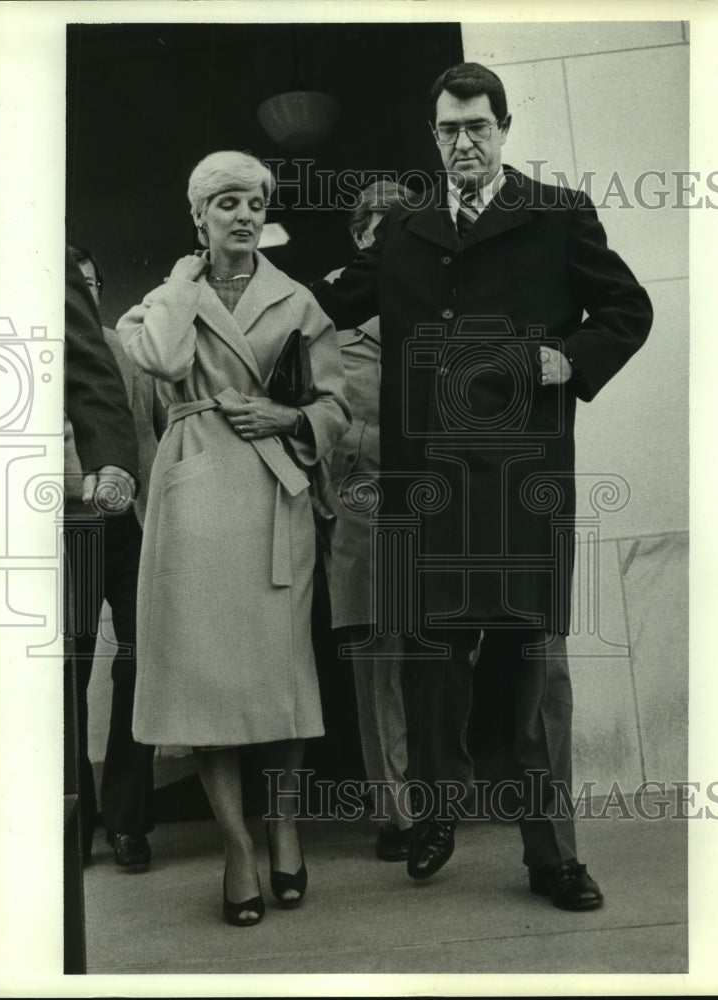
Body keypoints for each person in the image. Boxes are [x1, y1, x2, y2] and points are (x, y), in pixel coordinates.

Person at [311, 63, 653, 910]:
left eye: (478, 127)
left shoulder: (558, 215)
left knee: (538, 678)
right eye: (448, 130)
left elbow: (628, 311)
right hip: (427, 491)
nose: (463, 142)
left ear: (503, 128)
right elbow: (324, 303)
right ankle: (435, 818)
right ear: (434, 138)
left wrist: (568, 358)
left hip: (524, 486)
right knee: (436, 672)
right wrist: (213, 275)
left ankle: (554, 858)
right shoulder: (404, 231)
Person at [117, 151, 350, 926]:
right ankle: (236, 846)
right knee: (207, 685)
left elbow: (337, 406)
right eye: (225, 204)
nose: (244, 215)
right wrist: (183, 284)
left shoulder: (300, 302)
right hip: (195, 496)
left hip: (270, 492)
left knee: (279, 678)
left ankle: (282, 826)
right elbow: (162, 359)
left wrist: (286, 418)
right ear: (200, 216)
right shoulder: (165, 299)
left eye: (255, 202)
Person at [318, 181, 416, 862]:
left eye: (402, 226)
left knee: (444, 646)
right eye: (377, 227)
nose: (388, 238)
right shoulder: (326, 305)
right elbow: (309, 403)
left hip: (436, 490)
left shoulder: (438, 295)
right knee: (378, 655)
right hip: (361, 496)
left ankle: (442, 790)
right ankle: (395, 807)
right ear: (358, 236)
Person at [64, 246, 154, 869]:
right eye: (76, 282)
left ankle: (128, 821)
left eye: (92, 283)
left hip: (128, 527)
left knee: (137, 663)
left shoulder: (124, 350)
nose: (84, 293)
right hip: (65, 525)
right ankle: (75, 817)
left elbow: (149, 430)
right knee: (66, 672)